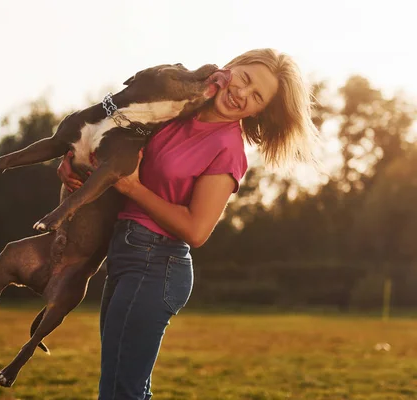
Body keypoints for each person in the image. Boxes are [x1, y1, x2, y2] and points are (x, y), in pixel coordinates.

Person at [57, 48, 317, 400]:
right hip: (125, 253)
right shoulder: (175, 109)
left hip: (156, 264)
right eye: (245, 78)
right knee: (120, 387)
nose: (242, 94)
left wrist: (133, 186)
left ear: (260, 111)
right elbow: (110, 139)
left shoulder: (227, 150)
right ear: (229, 67)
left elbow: (197, 230)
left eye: (257, 96)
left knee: (122, 392)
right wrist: (77, 164)